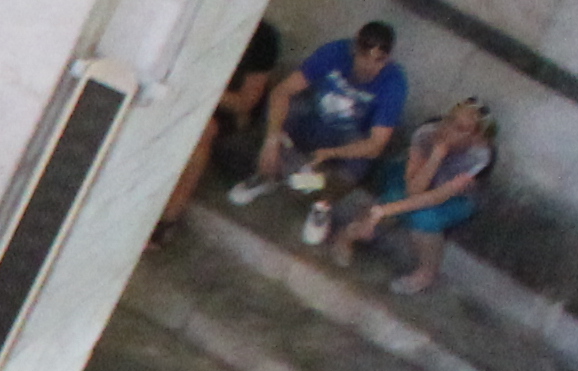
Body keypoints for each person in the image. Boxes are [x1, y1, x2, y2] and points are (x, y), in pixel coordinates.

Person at [230, 22, 403, 207]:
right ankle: (272, 172)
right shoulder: (335, 52)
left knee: (357, 164)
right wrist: (272, 139)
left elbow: (376, 145)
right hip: (313, 118)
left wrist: (331, 153)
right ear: (354, 48)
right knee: (288, 108)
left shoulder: (394, 82)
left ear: (388, 59)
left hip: (344, 142)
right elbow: (283, 91)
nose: (369, 65)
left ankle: (296, 185)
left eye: (379, 60)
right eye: (364, 56)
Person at [326, 95, 491, 288]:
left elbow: (435, 198)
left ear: (475, 137)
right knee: (394, 197)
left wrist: (384, 212)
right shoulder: (427, 133)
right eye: (450, 120)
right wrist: (437, 154)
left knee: (425, 218)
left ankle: (427, 273)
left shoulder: (479, 157)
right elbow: (414, 188)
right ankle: (349, 234)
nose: (449, 129)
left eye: (461, 129)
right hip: (415, 177)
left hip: (456, 198)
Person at [158, 22, 290, 239]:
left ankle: (168, 219)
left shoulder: (263, 38)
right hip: (187, 94)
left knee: (202, 132)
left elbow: (245, 102)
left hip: (226, 108)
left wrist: (200, 92)